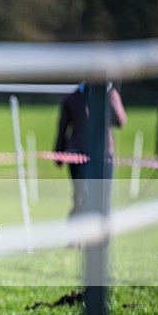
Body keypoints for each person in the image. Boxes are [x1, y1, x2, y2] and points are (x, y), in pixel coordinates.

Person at [54, 82, 126, 217]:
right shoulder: (73, 98)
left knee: (85, 199)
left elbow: (62, 129)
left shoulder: (73, 97)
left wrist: (59, 154)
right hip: (86, 153)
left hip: (94, 152)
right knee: (92, 199)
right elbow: (120, 120)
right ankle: (81, 235)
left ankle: (91, 236)